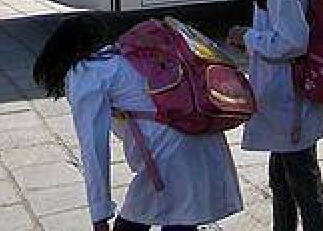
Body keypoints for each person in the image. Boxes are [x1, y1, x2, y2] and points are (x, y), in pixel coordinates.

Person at [32, 14, 243, 231]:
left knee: (144, 220)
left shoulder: (87, 72)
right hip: (200, 137)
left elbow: (93, 147)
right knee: (180, 217)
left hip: (167, 153)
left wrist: (99, 214)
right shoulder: (128, 56)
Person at [227, 0, 323, 231]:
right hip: (291, 97)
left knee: (302, 184)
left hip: (289, 99)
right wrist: (254, 40)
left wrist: (247, 37)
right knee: (284, 180)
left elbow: (293, 41)